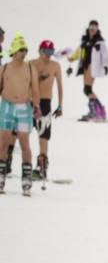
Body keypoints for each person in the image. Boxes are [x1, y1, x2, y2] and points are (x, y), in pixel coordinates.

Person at [0, 35, 37, 196]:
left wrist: (37, 106)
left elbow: (35, 89)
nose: (23, 53)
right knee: (4, 141)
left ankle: (26, 179)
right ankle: (1, 176)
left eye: (25, 50)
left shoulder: (30, 68)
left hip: (24, 108)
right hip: (7, 106)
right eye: (21, 50)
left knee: (24, 142)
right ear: (14, 51)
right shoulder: (4, 68)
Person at [30, 40, 62, 180]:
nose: (48, 55)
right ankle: (6, 163)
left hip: (45, 103)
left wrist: (60, 105)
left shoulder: (55, 66)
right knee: (19, 132)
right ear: (40, 51)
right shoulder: (31, 64)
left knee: (44, 136)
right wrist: (38, 77)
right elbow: (25, 81)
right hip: (29, 102)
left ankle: (42, 167)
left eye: (51, 52)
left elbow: (60, 86)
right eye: (46, 52)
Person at [72, 20, 108, 122]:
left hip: (92, 66)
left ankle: (96, 111)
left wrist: (105, 65)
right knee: (87, 89)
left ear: (97, 29)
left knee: (87, 89)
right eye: (91, 27)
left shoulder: (99, 42)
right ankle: (99, 110)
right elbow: (79, 51)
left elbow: (105, 54)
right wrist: (72, 58)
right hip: (85, 65)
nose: (92, 29)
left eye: (94, 27)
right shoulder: (85, 41)